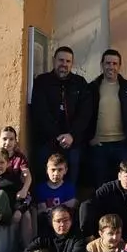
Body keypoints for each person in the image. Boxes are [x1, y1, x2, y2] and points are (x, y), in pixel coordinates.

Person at [30, 45, 91, 186]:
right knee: (44, 180)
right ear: (54, 60)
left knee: (71, 180)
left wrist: (71, 135)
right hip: (47, 140)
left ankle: (69, 200)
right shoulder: (42, 82)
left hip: (72, 141)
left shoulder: (80, 83)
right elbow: (40, 112)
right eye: (61, 60)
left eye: (68, 61)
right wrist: (57, 135)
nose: (64, 64)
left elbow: (85, 113)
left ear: (72, 63)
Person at [87, 49, 127, 187]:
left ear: (119, 66)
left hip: (123, 145)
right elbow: (84, 115)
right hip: (99, 145)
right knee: (101, 185)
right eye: (108, 63)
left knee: (125, 185)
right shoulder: (92, 88)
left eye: (114, 63)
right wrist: (89, 138)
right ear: (102, 65)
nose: (111, 66)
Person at [78, 159, 127, 240]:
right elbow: (86, 205)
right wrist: (88, 234)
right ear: (119, 176)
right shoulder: (108, 189)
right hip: (105, 234)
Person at [34, 152, 78, 218]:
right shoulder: (41, 189)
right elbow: (42, 211)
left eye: (60, 170)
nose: (56, 173)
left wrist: (50, 209)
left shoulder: (69, 187)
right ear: (47, 170)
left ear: (65, 170)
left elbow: (70, 207)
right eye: (53, 170)